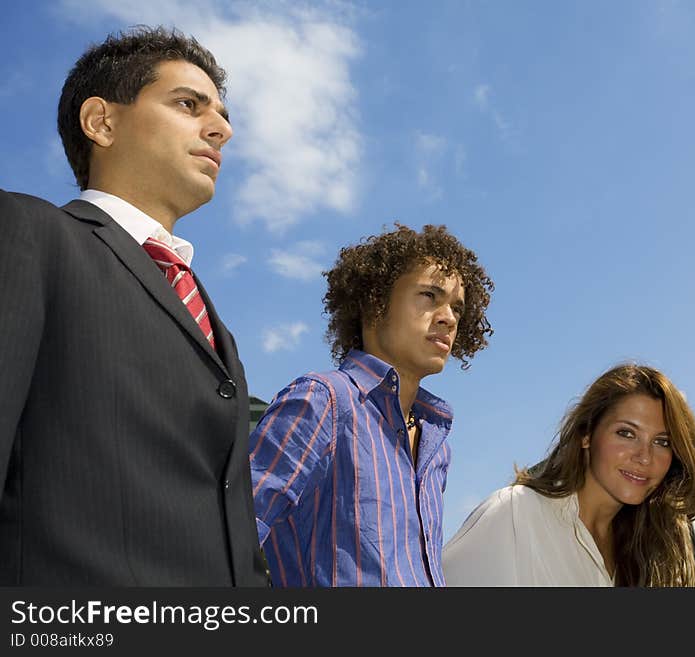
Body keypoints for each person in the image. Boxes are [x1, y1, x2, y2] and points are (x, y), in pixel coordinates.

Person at [0, 26, 266, 585]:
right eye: (188, 104)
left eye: (221, 113)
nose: (222, 129)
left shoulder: (215, 325)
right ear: (102, 122)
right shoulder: (24, 232)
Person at [250, 223, 493, 586]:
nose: (449, 318)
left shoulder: (436, 447)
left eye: (457, 308)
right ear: (374, 302)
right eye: (429, 295)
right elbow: (228, 535)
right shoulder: (324, 401)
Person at [442, 364, 695, 586]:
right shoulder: (516, 512)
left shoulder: (654, 552)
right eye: (626, 433)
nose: (644, 457)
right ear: (586, 434)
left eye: (662, 442)